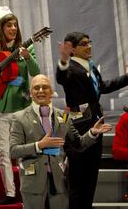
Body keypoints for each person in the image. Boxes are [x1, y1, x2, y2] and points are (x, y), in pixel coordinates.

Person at [10, 74, 112, 209]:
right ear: (30, 93)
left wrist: (92, 133)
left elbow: (78, 144)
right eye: (36, 88)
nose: (41, 91)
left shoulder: (63, 116)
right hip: (32, 184)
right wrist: (39, 145)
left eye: (45, 87)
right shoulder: (18, 118)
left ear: (51, 92)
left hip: (59, 183)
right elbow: (13, 151)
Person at [56, 32, 128, 209]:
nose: (89, 46)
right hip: (78, 131)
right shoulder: (70, 68)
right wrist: (63, 60)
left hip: (96, 127)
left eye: (89, 42)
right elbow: (61, 78)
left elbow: (103, 87)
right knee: (77, 182)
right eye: (83, 44)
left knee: (90, 180)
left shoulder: (91, 67)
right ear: (72, 49)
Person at [0, 8, 40, 204]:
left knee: (25, 152)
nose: (13, 28)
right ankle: (11, 193)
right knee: (4, 152)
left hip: (21, 107)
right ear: (0, 28)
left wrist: (28, 59)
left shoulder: (26, 49)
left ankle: (28, 191)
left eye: (15, 25)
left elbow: (36, 72)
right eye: (8, 25)